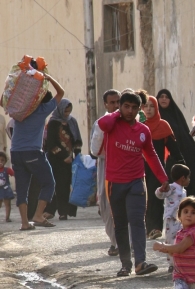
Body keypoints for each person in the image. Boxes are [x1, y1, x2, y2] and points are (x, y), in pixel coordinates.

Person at [98, 91, 170, 277]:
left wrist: (163, 178)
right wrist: (115, 113)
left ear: (140, 109)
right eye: (126, 106)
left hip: (137, 182)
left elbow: (151, 155)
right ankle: (125, 264)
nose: (129, 111)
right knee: (120, 224)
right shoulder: (112, 124)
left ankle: (140, 262)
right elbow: (102, 124)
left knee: (137, 221)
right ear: (120, 107)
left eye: (133, 107)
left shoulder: (143, 130)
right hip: (114, 183)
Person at [12, 73, 64, 230]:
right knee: (49, 183)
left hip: (16, 152)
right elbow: (61, 92)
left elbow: (4, 100)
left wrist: (17, 84)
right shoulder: (43, 109)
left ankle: (24, 223)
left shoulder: (19, 107)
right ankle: (38, 215)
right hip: (32, 152)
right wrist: (49, 78)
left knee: (22, 188)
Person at [140, 90, 185, 240]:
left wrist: (181, 165)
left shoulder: (163, 126)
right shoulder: (140, 127)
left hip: (157, 168)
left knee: (156, 198)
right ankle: (144, 228)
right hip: (140, 168)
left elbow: (174, 149)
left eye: (152, 106)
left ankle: (155, 228)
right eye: (145, 106)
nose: (148, 109)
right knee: (142, 198)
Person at [153, 196, 195, 289]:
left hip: (194, 278)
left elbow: (180, 248)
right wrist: (166, 250)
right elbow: (175, 252)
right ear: (179, 215)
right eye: (186, 211)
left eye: (193, 213)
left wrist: (162, 245)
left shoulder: (194, 232)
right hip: (180, 276)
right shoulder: (180, 233)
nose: (189, 215)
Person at [156, 89, 195, 199]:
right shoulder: (155, 118)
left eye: (166, 97)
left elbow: (185, 135)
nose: (163, 99)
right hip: (165, 159)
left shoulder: (176, 115)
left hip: (183, 155)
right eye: (161, 97)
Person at [90, 89, 121, 256]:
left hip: (125, 167)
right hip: (106, 166)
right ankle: (114, 241)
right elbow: (95, 150)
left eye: (118, 102)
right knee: (105, 204)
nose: (116, 106)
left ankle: (125, 242)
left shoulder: (128, 122)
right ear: (105, 104)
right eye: (112, 103)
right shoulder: (100, 123)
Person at [43, 99, 82, 221]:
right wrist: (63, 156)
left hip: (70, 161)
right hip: (56, 161)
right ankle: (55, 211)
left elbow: (77, 140)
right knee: (56, 186)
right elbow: (51, 144)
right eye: (65, 111)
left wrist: (77, 156)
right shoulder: (53, 123)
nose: (67, 114)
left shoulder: (72, 121)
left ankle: (65, 211)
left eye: (69, 111)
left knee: (66, 186)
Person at [155, 164, 189, 273]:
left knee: (180, 240)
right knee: (170, 240)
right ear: (183, 178)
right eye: (188, 177)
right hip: (171, 220)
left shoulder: (183, 191)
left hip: (181, 221)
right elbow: (159, 195)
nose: (189, 180)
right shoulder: (171, 188)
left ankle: (179, 262)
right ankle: (171, 264)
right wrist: (161, 190)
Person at [0, 152, 14, 222]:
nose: (0, 162)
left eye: (2, 160)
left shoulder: (7, 170)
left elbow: (14, 174)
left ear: (5, 161)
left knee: (7, 204)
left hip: (6, 190)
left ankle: (7, 217)